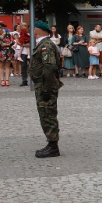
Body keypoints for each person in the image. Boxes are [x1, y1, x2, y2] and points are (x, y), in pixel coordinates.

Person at [30, 21, 63, 158]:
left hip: (46, 86)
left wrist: (45, 88)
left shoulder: (46, 46)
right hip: (44, 85)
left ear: (36, 32)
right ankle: (51, 144)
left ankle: (53, 146)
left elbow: (49, 67)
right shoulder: (44, 44)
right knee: (45, 114)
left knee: (48, 115)